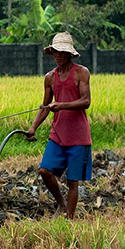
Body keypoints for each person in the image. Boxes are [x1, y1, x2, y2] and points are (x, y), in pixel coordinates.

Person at [24, 32, 92, 218]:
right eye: (55, 52)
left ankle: (69, 219)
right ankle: (61, 204)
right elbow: (45, 107)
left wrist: (61, 105)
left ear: (69, 53)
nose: (58, 56)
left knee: (72, 181)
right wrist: (33, 128)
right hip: (58, 135)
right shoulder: (50, 77)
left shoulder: (81, 73)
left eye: (62, 52)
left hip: (78, 137)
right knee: (44, 171)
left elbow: (86, 101)